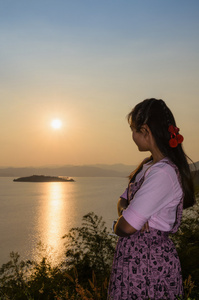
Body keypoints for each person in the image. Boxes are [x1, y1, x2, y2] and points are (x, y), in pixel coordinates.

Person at [108, 98, 195, 300]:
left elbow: (125, 227)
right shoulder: (148, 166)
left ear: (146, 130)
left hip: (148, 264)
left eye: (134, 130)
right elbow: (122, 200)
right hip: (135, 260)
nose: (132, 136)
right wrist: (127, 212)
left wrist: (125, 219)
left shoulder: (163, 173)